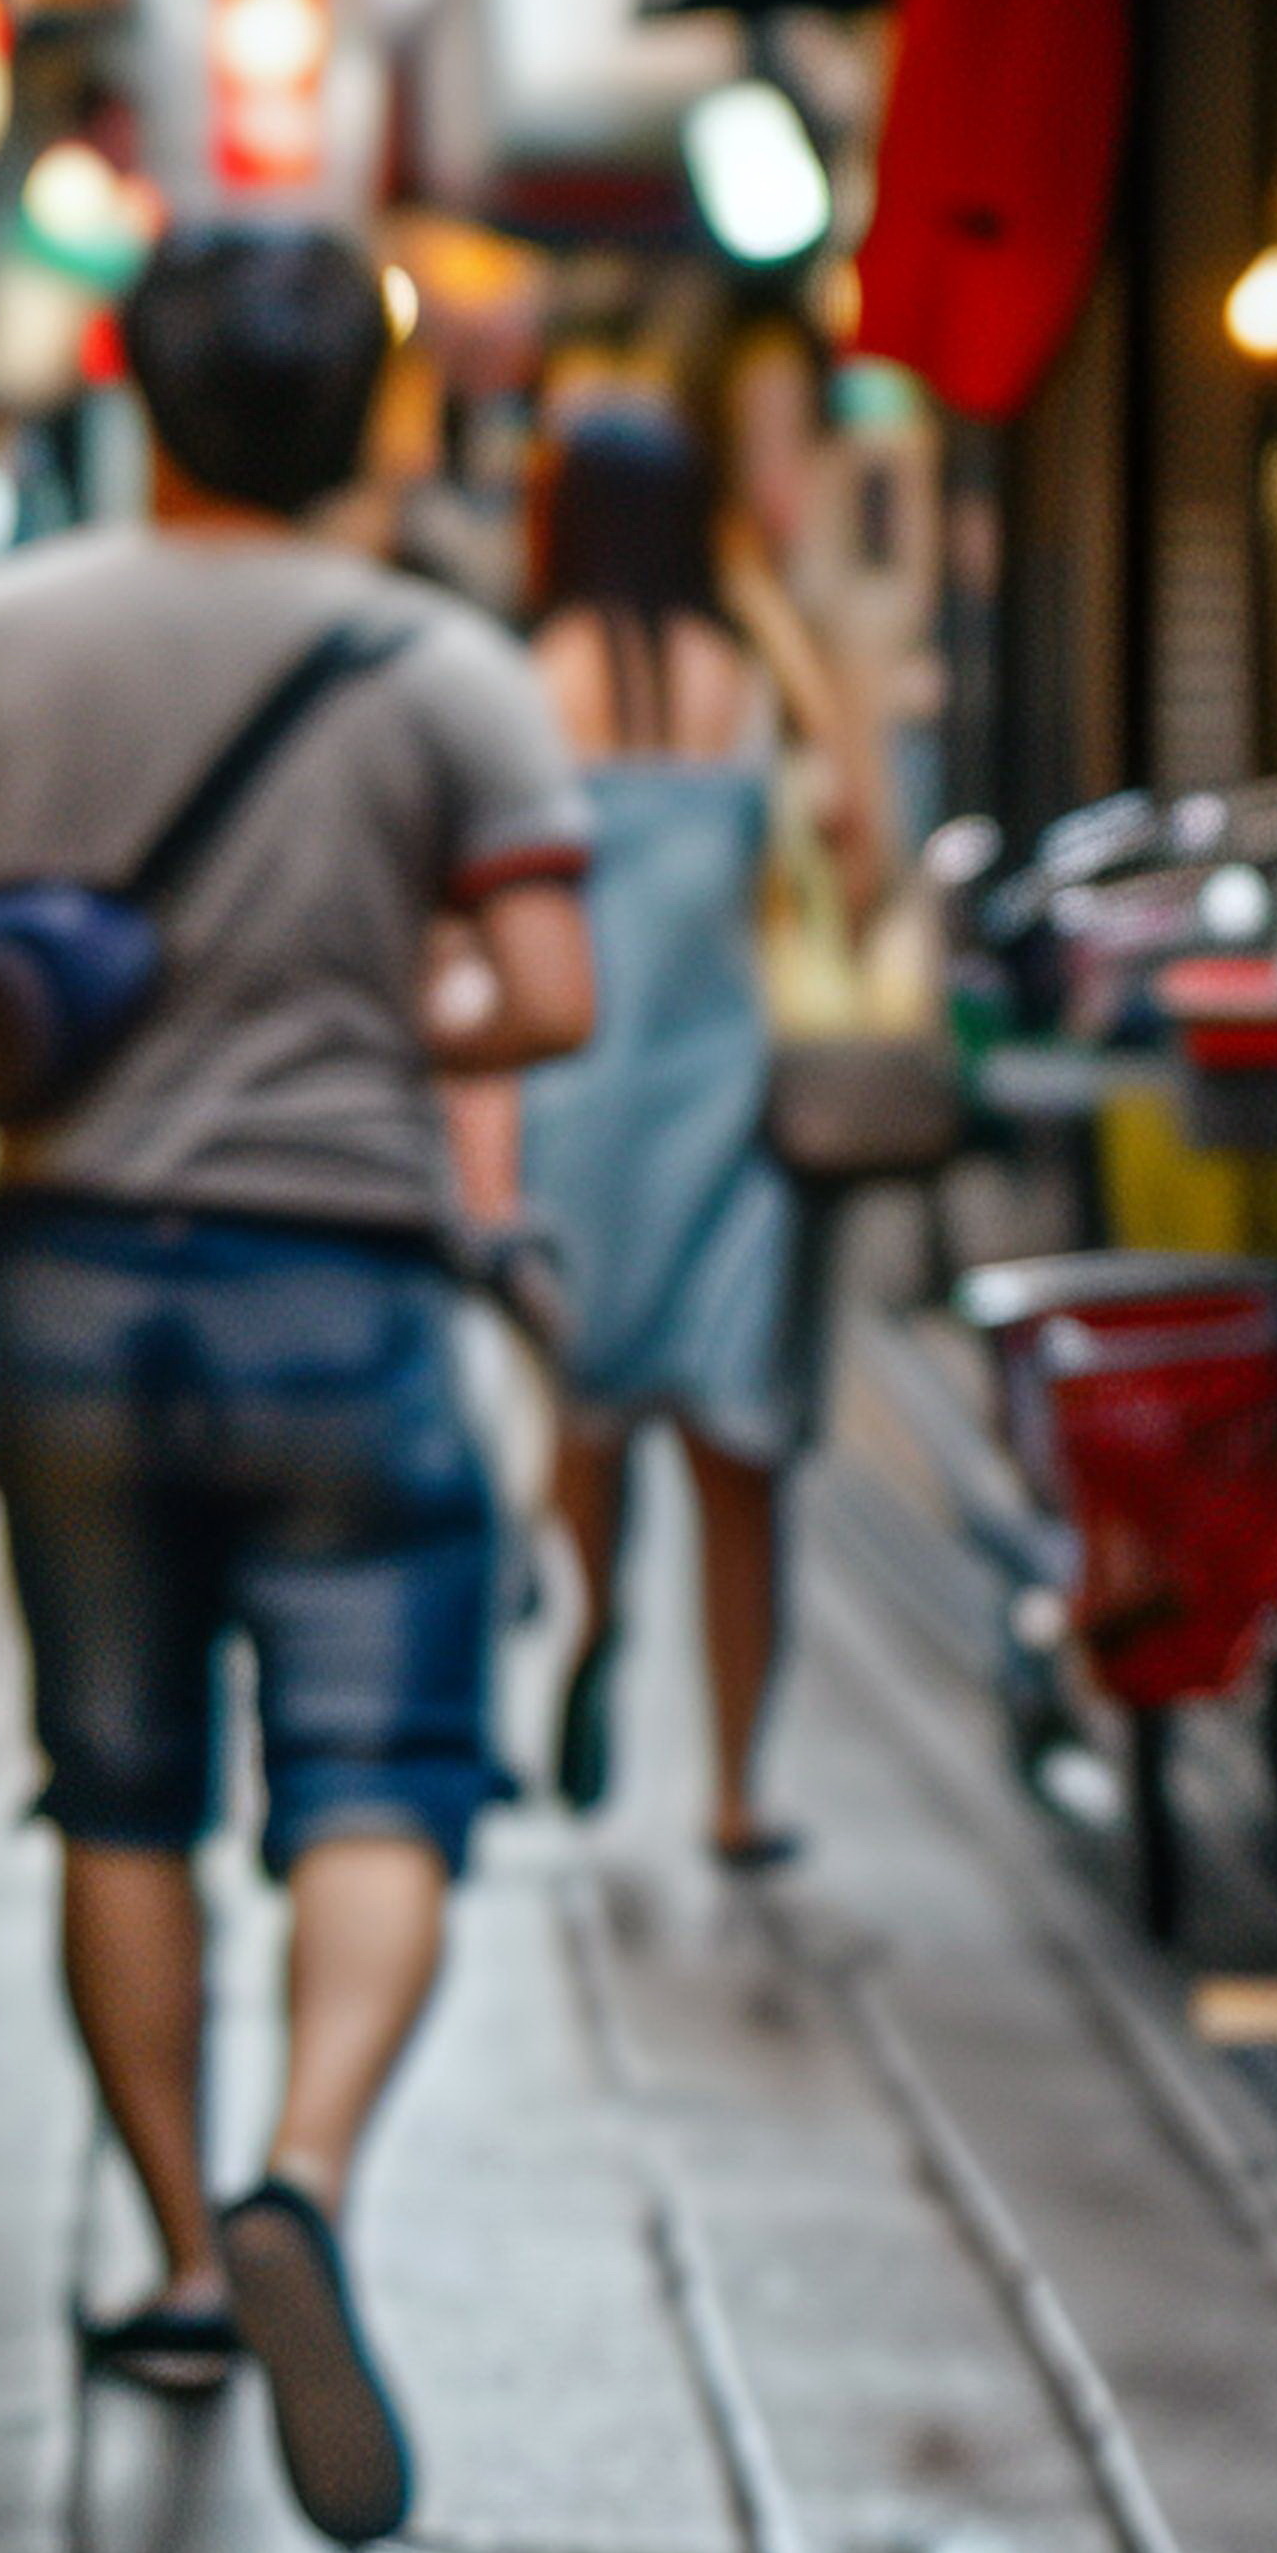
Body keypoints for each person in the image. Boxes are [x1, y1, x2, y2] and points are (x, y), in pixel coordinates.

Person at [0, 224, 594, 2548]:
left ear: (139, 395)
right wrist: (371, 1023)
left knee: (117, 1783)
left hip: (70, 1283)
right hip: (343, 1286)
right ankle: (306, 2176)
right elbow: (548, 984)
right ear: (375, 414)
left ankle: (167, 2252)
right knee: (381, 1773)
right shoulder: (450, 669)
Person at [504, 397, 891, 1867]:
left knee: (588, 1418)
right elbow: (855, 862)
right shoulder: (745, 676)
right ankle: (738, 1786)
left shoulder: (535, 683)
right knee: (745, 1470)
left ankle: (597, 1623)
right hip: (732, 1110)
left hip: (580, 1106)